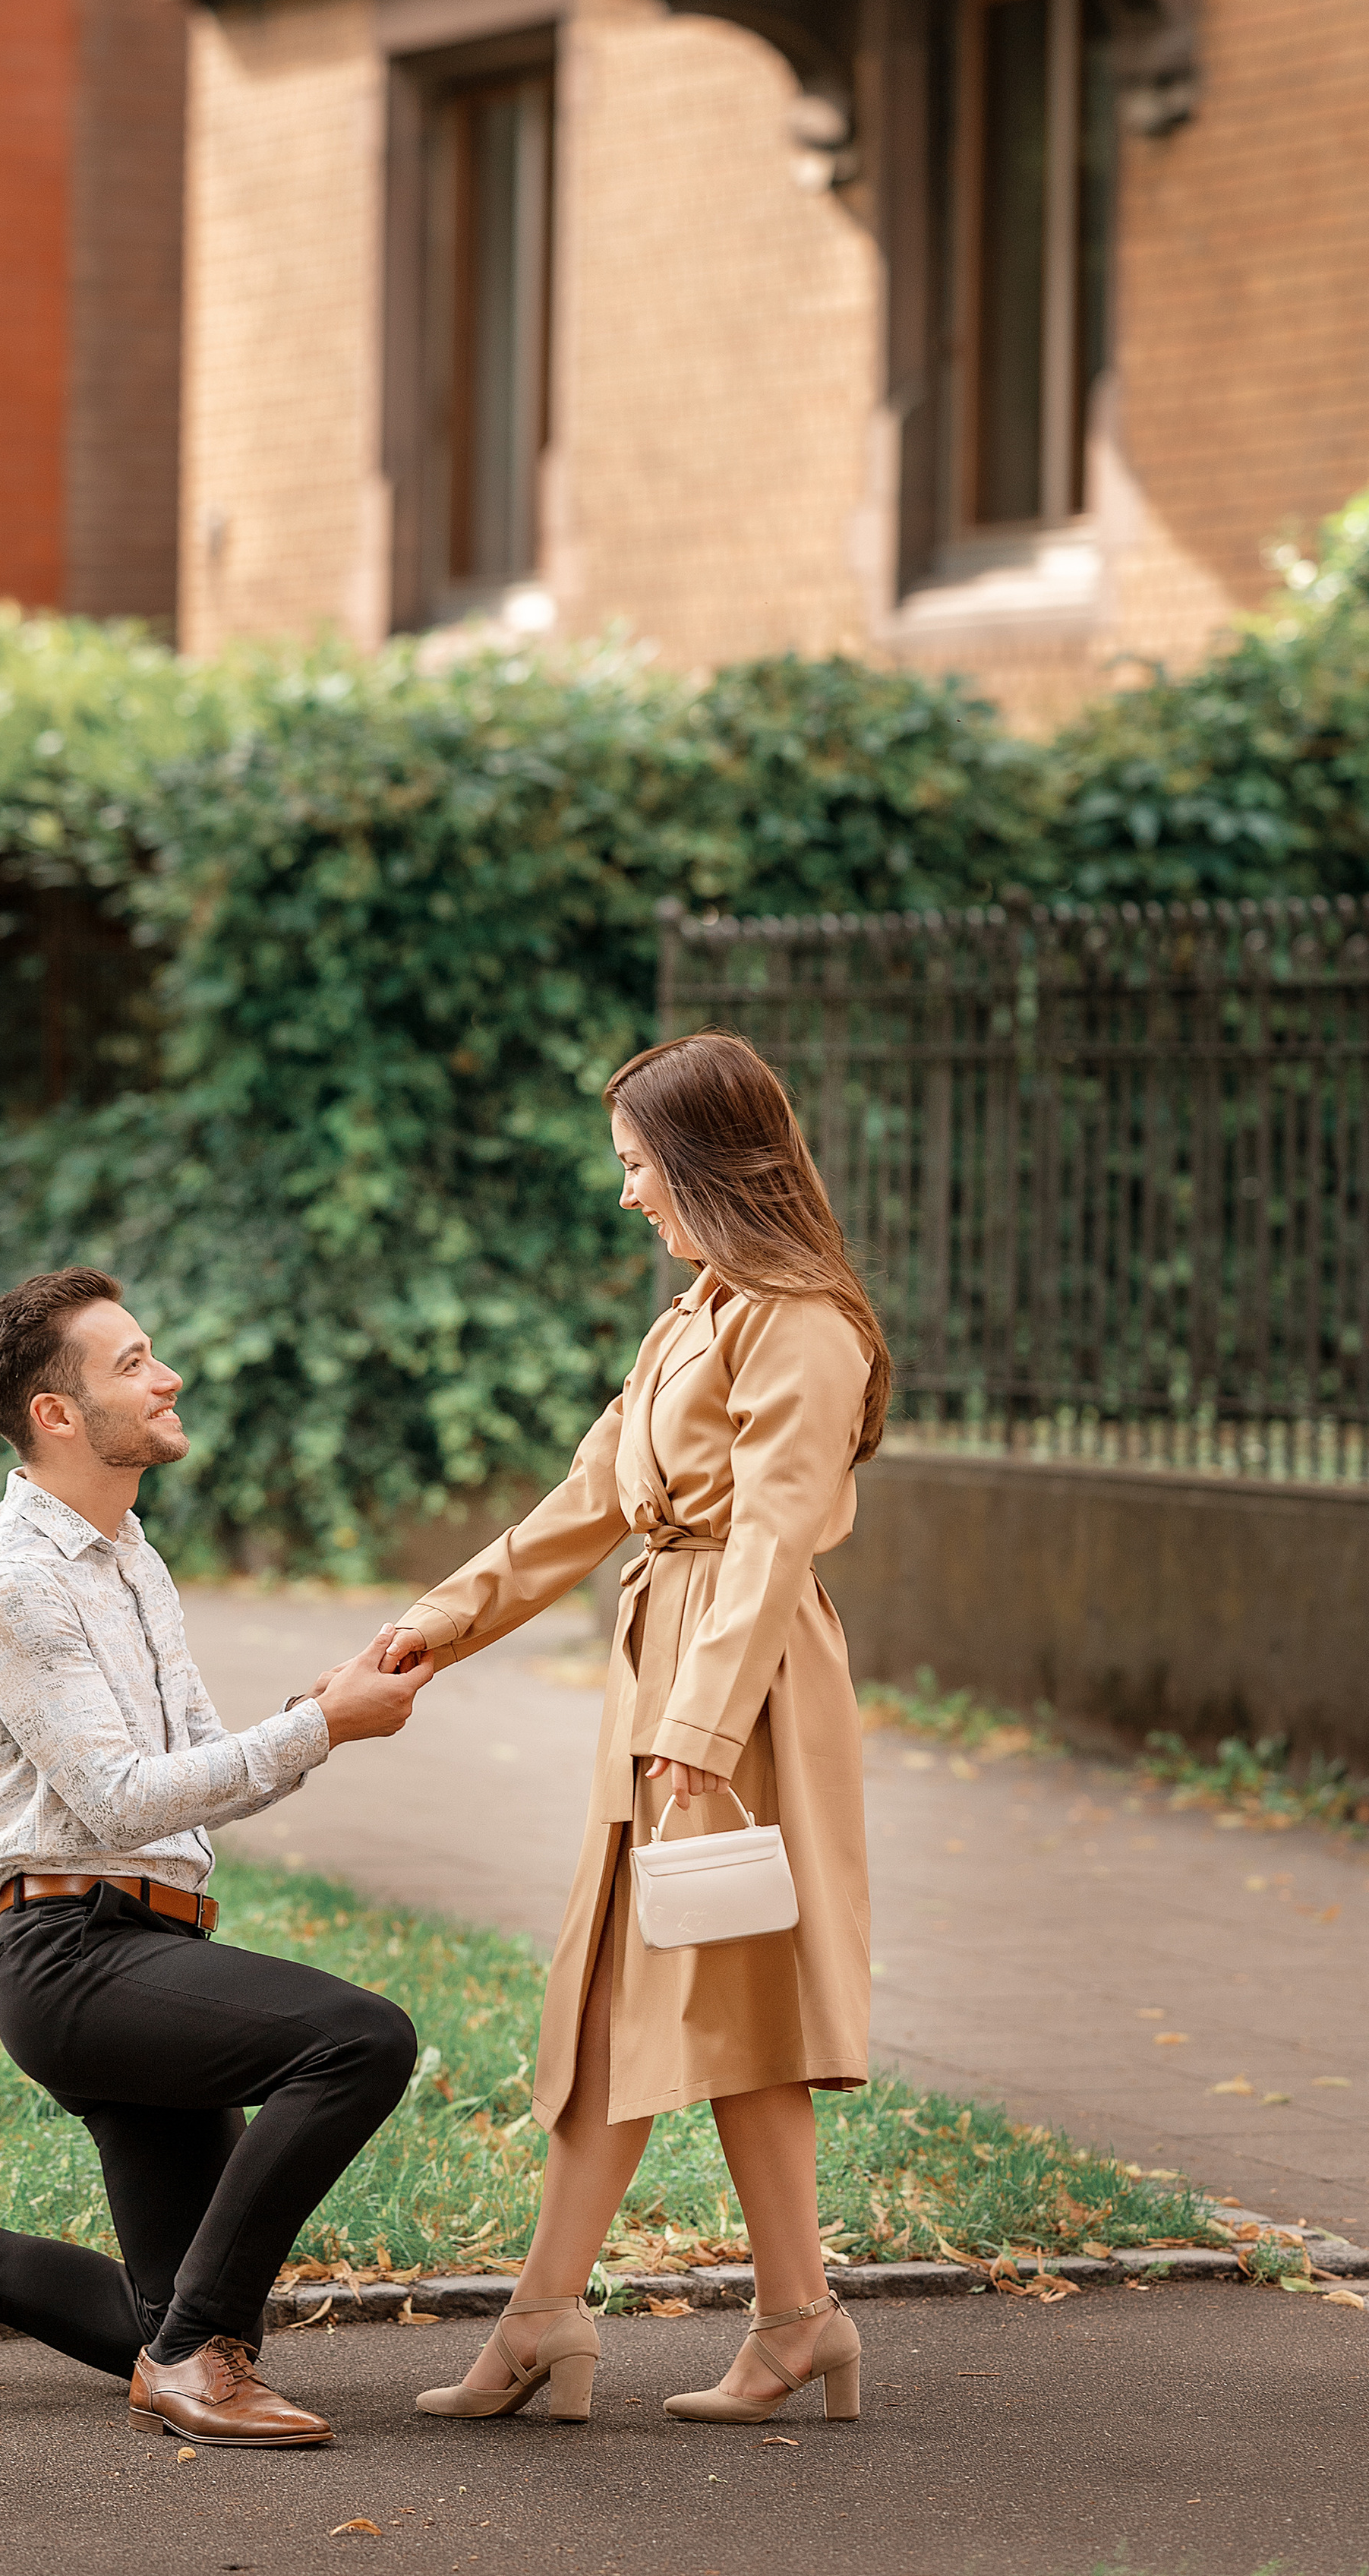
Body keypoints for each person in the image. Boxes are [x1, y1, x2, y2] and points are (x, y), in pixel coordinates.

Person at [0, 1264, 433, 2449]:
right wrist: (320, 1726)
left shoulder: (128, 1556)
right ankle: (194, 2363)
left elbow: (195, 1767)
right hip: (72, 1957)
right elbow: (116, 1799)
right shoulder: (11, 1583)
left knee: (168, 2308)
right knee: (360, 2039)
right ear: (57, 1414)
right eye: (133, 1362)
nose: (167, 1375)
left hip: (149, 1942)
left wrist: (323, 1708)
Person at [380, 1031, 889, 2429]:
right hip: (674, 1670)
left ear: (706, 1164)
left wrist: (702, 1731)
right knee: (650, 1996)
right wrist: (438, 1622)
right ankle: (776, 2319)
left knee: (705, 1998)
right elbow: (586, 1500)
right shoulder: (695, 1318)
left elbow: (776, 1539)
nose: (627, 1196)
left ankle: (623, 2318)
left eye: (637, 1166)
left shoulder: (803, 1324)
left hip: (745, 1683)